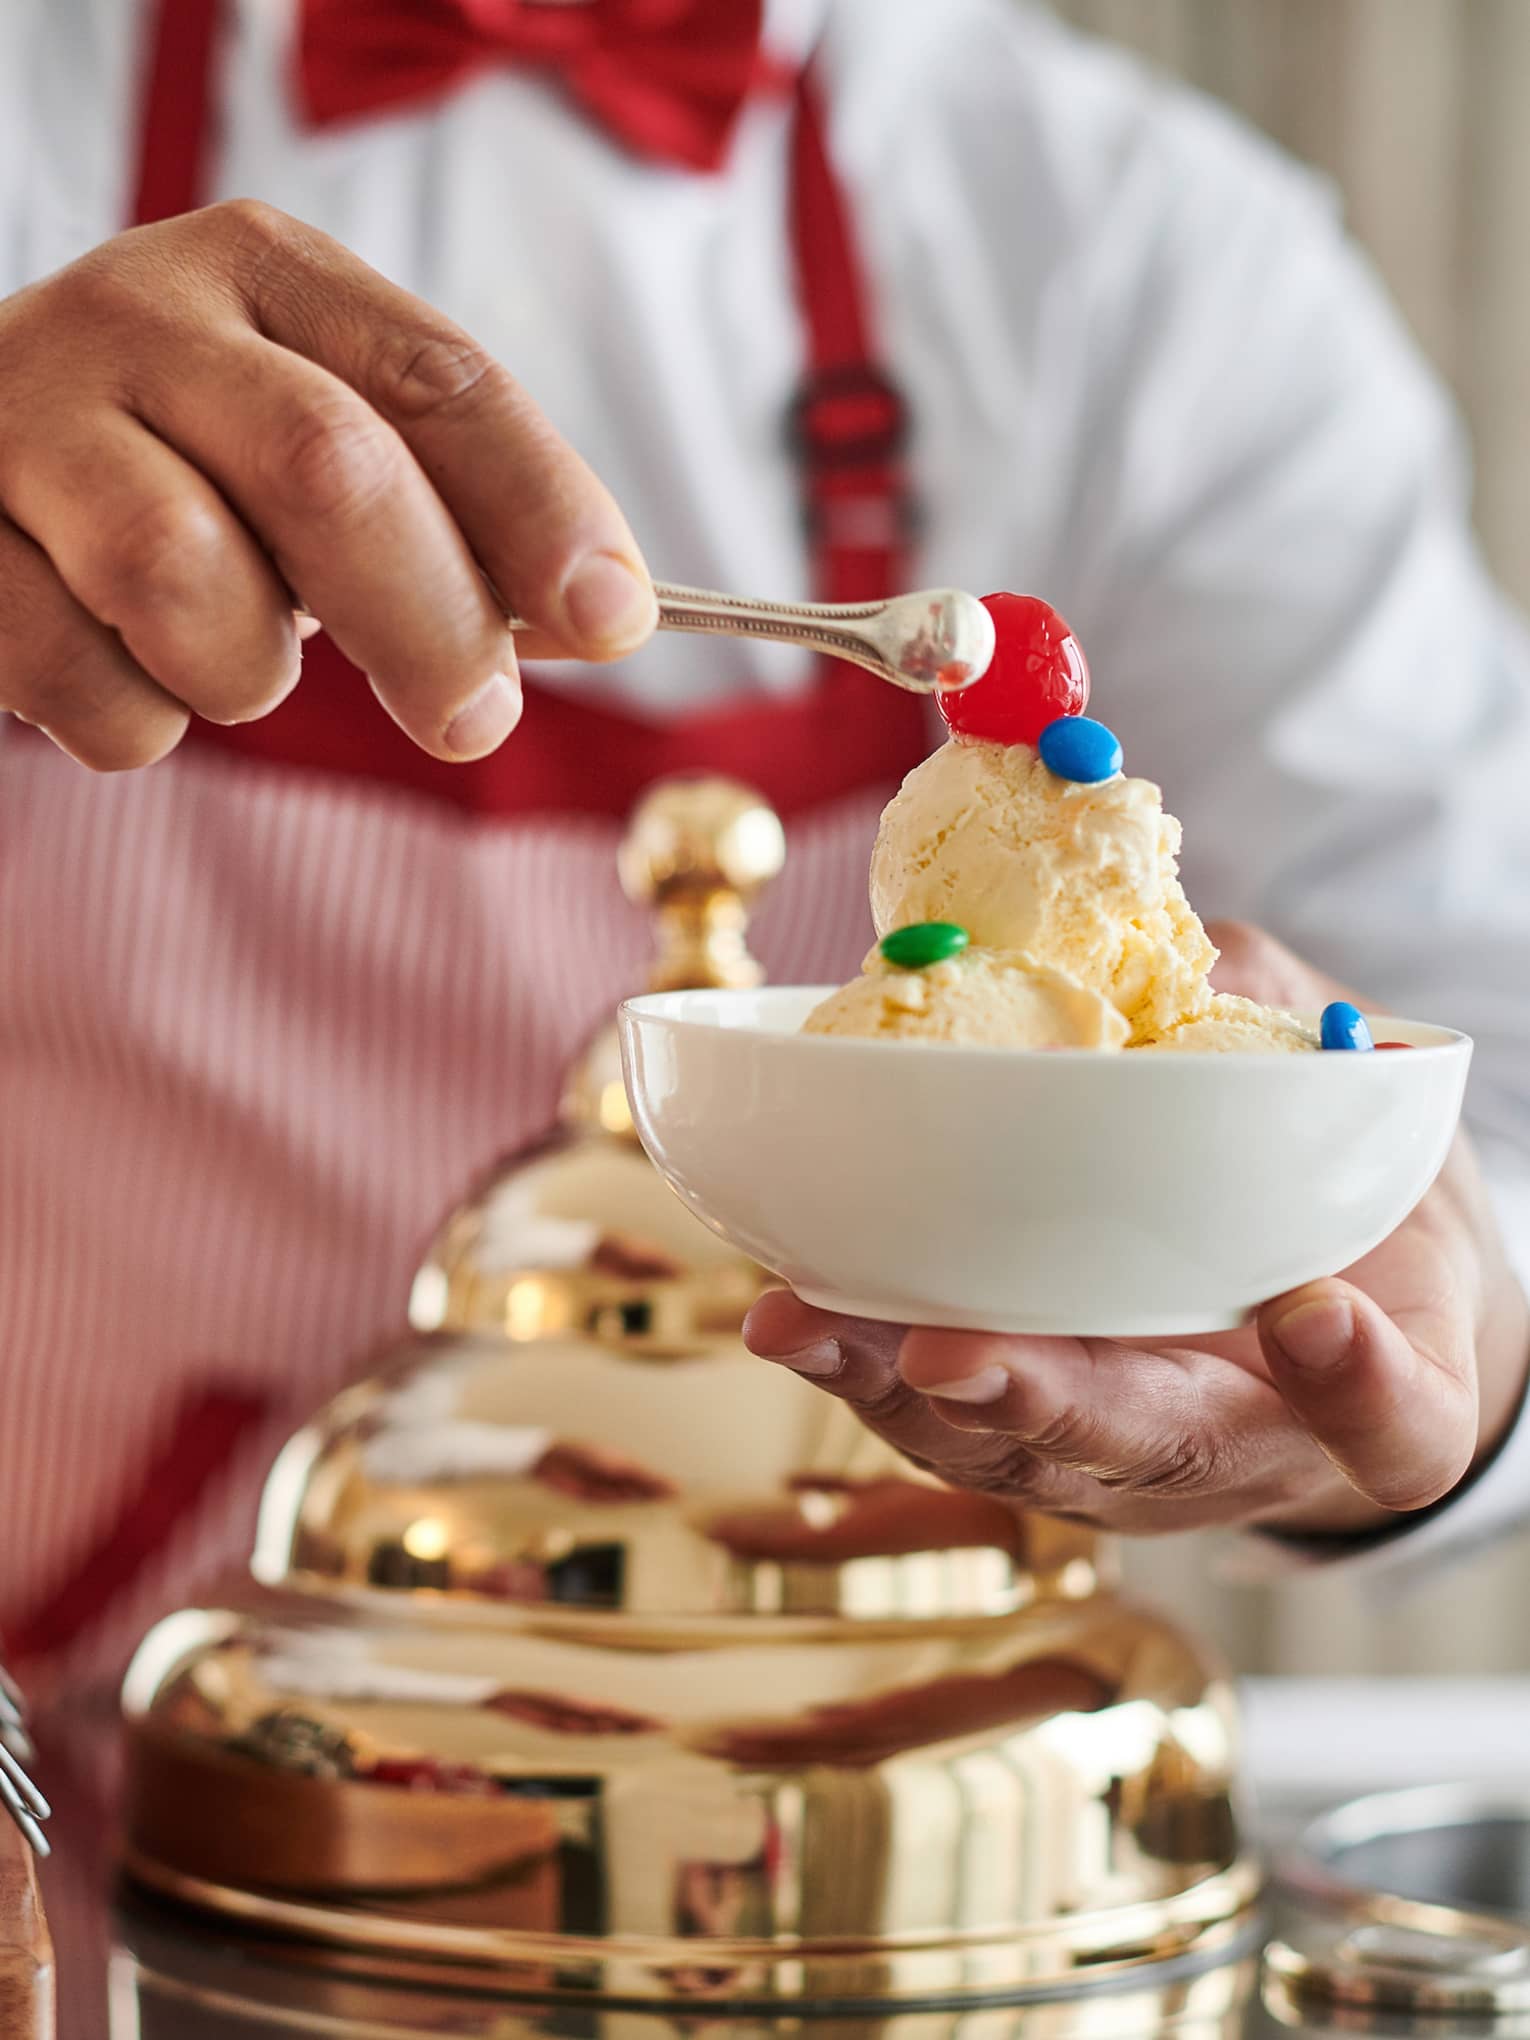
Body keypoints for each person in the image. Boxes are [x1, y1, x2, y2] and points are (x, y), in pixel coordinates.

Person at [1, 0, 1528, 1724]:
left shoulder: (1138, 251)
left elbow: (1478, 1042)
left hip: (873, 1767)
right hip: (84, 1738)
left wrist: (1419, 1345)